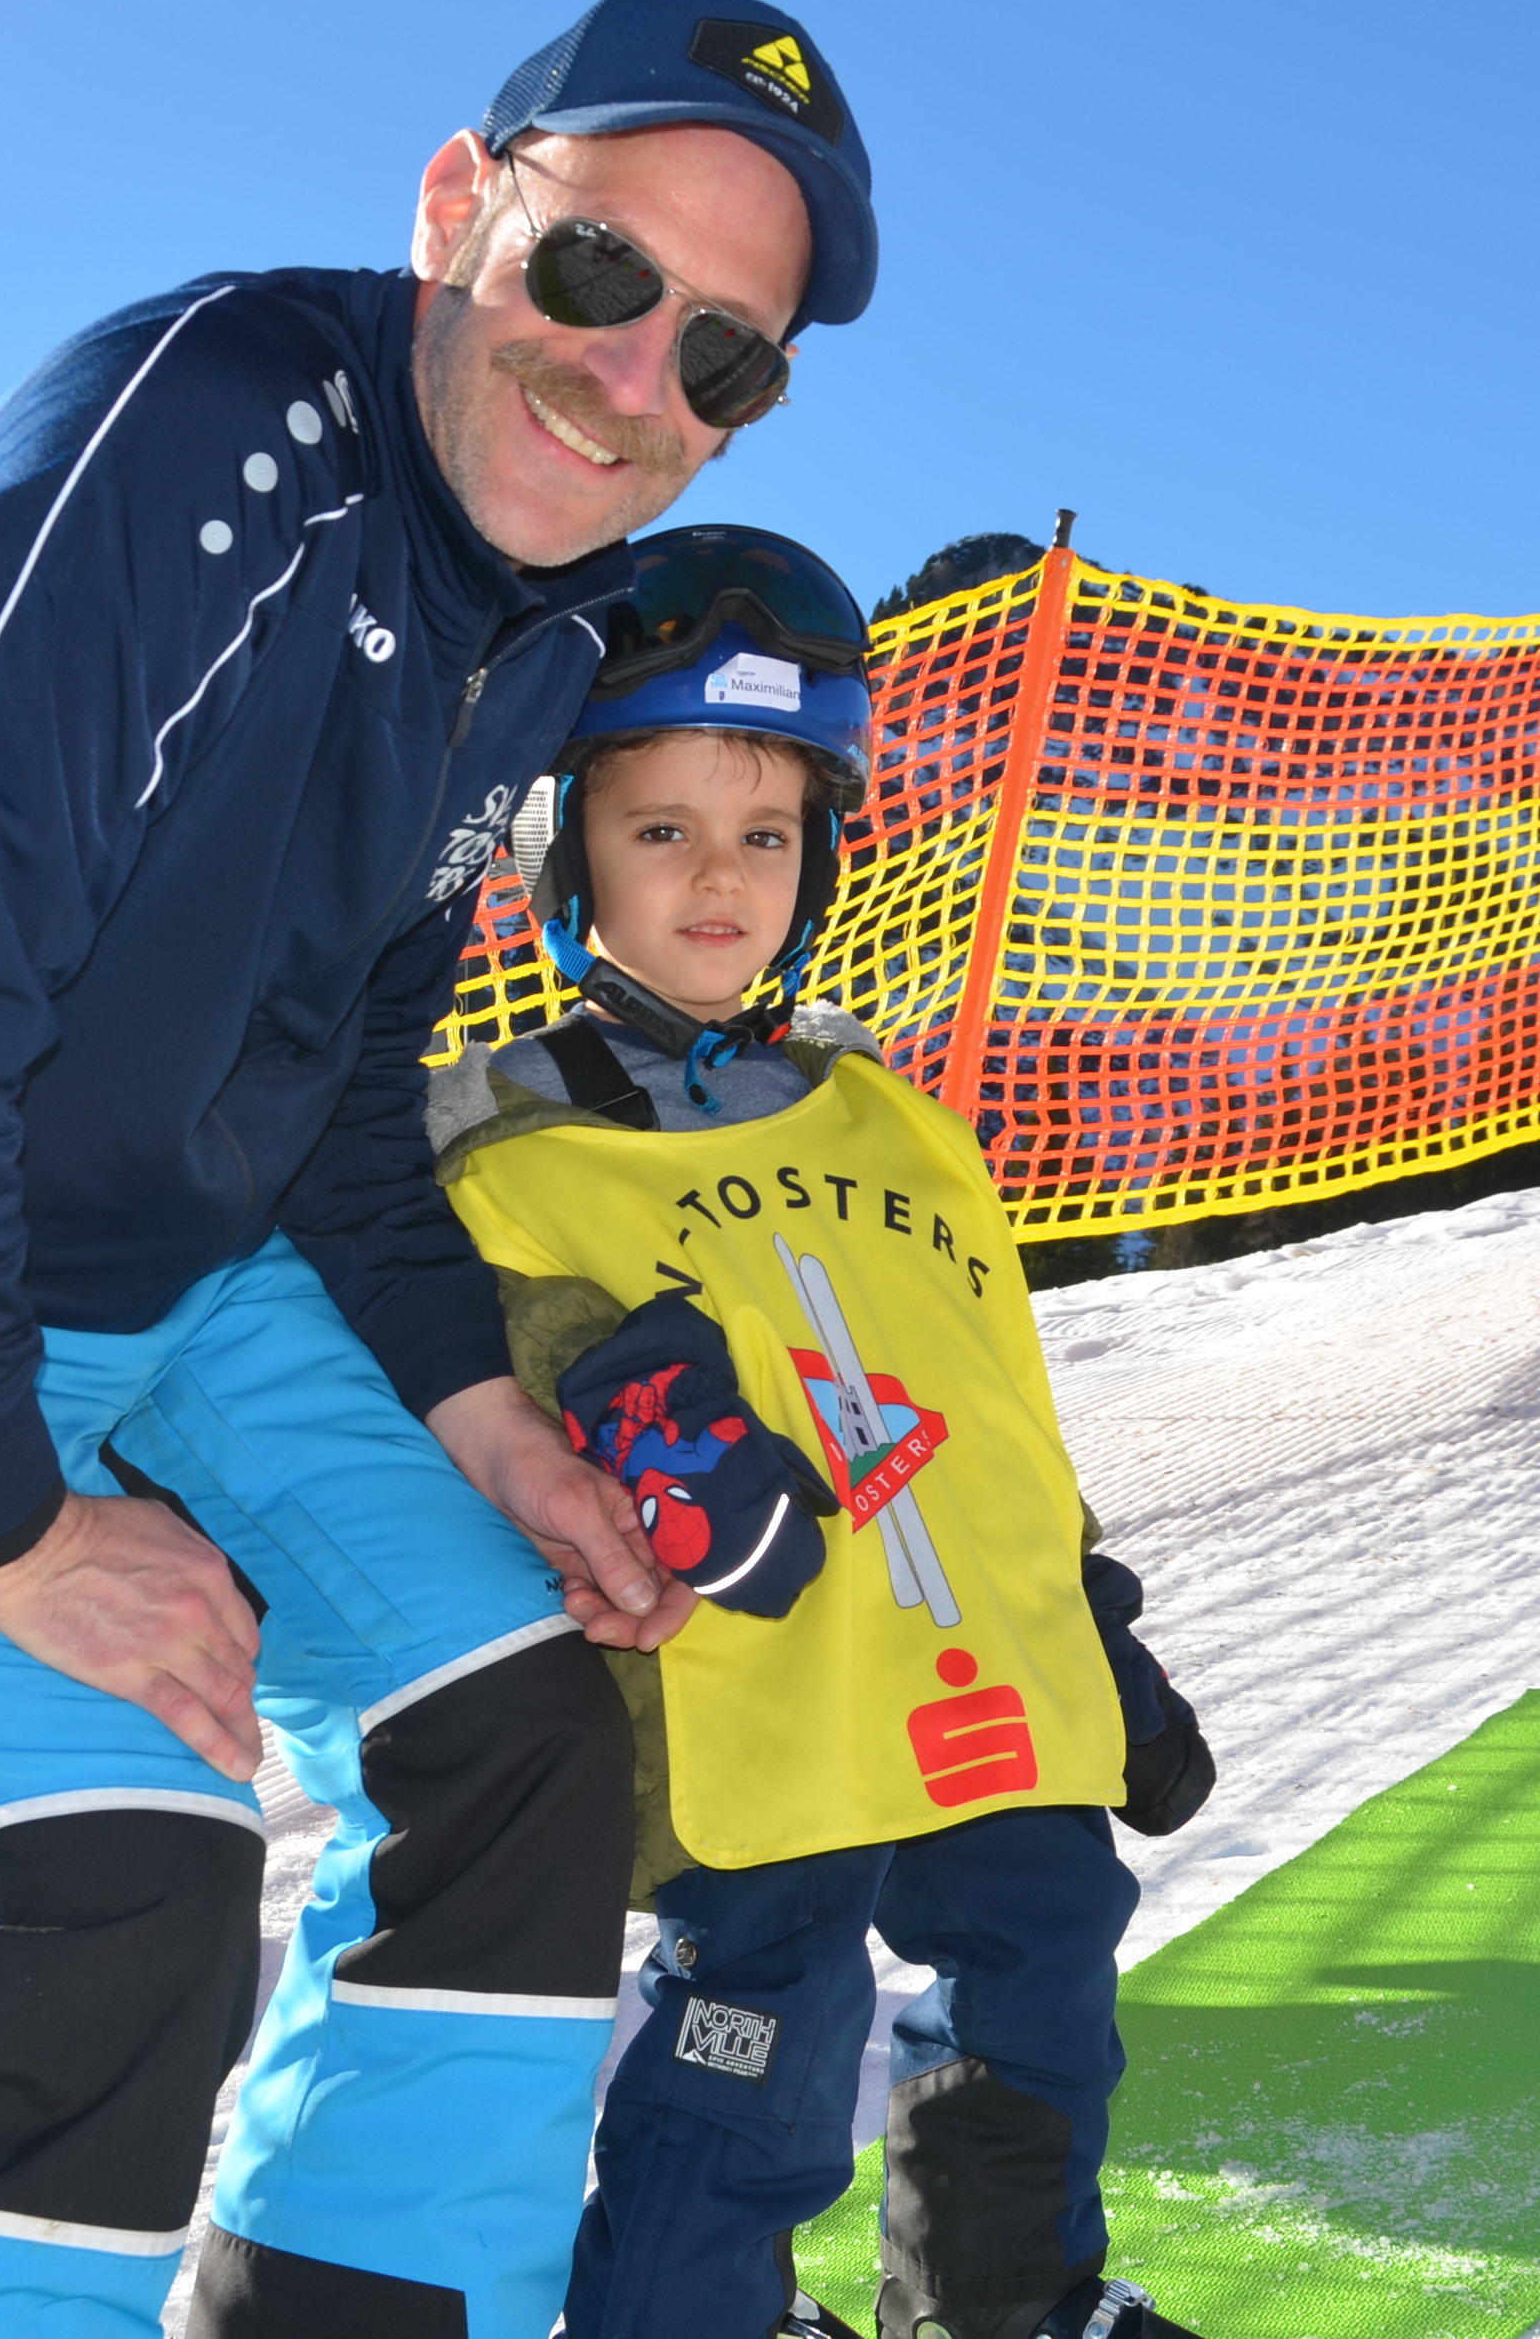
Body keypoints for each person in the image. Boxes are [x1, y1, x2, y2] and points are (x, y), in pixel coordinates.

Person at [0, 0, 877, 2339]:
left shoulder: (539, 626)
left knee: (515, 1749)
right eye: (599, 269)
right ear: (460, 206)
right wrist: (13, 1526)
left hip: (183, 1267)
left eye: (724, 358)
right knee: (117, 1898)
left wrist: (493, 1425)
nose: (633, 381)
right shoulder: (212, 438)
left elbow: (347, 1074)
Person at [425, 526, 1219, 2339]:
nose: (722, 878)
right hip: (757, 1697)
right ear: (564, 855)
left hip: (985, 1681)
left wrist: (1097, 1628)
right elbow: (478, 1346)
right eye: (662, 831)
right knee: (761, 2044)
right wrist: (617, 1384)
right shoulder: (505, 1136)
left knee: (1046, 1979)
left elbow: (996, 1403)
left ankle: (1008, 2303)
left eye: (767, 834)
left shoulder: (895, 1118)